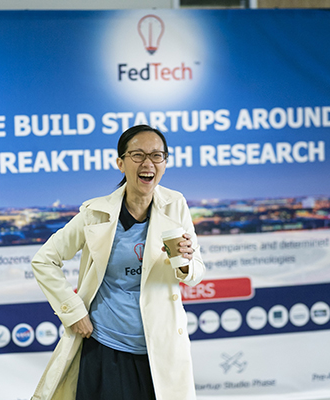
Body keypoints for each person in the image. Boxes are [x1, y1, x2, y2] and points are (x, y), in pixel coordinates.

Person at [31, 125, 205, 400]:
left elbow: (194, 272)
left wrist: (184, 261)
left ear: (165, 163)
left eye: (157, 156)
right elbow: (44, 260)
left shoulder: (176, 205)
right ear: (120, 163)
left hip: (158, 348)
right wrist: (73, 311)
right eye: (138, 155)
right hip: (105, 347)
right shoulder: (96, 213)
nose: (148, 163)